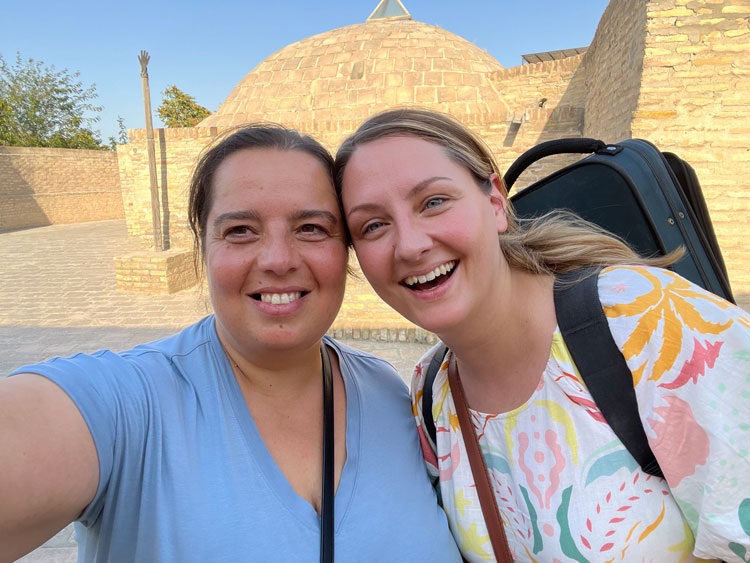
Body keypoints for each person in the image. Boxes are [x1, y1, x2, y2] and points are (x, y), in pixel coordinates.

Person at [0, 123, 462, 562]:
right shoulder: (129, 405)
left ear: (345, 252)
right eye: (241, 230)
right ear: (204, 247)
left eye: (311, 228)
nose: (279, 260)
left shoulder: (387, 391)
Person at [333, 107, 750, 562]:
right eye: (373, 225)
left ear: (495, 201)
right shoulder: (431, 393)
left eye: (433, 201)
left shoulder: (643, 318)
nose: (410, 245)